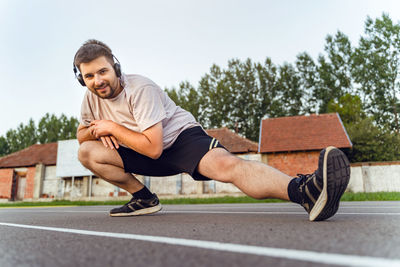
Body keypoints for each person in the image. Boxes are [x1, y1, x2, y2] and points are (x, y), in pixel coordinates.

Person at [75, 39, 350, 221]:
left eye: (102, 72)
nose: (97, 81)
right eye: (89, 76)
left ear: (115, 67)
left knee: (227, 166)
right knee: (86, 151)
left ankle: (306, 192)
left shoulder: (140, 89)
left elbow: (154, 147)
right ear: (81, 78)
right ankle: (144, 198)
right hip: (141, 149)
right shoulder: (90, 99)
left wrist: (111, 127)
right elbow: (81, 133)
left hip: (179, 139)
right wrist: (95, 131)